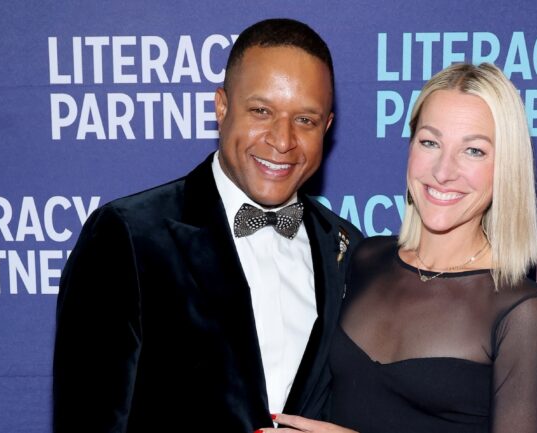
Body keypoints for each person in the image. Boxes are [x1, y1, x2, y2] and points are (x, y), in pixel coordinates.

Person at [52, 18, 362, 433]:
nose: (282, 139)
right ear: (222, 106)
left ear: (326, 126)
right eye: (261, 111)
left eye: (305, 120)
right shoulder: (128, 235)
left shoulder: (343, 247)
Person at [259, 63, 537, 433]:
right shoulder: (365, 258)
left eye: (474, 151)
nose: (443, 171)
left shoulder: (519, 308)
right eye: (430, 142)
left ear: (505, 167)